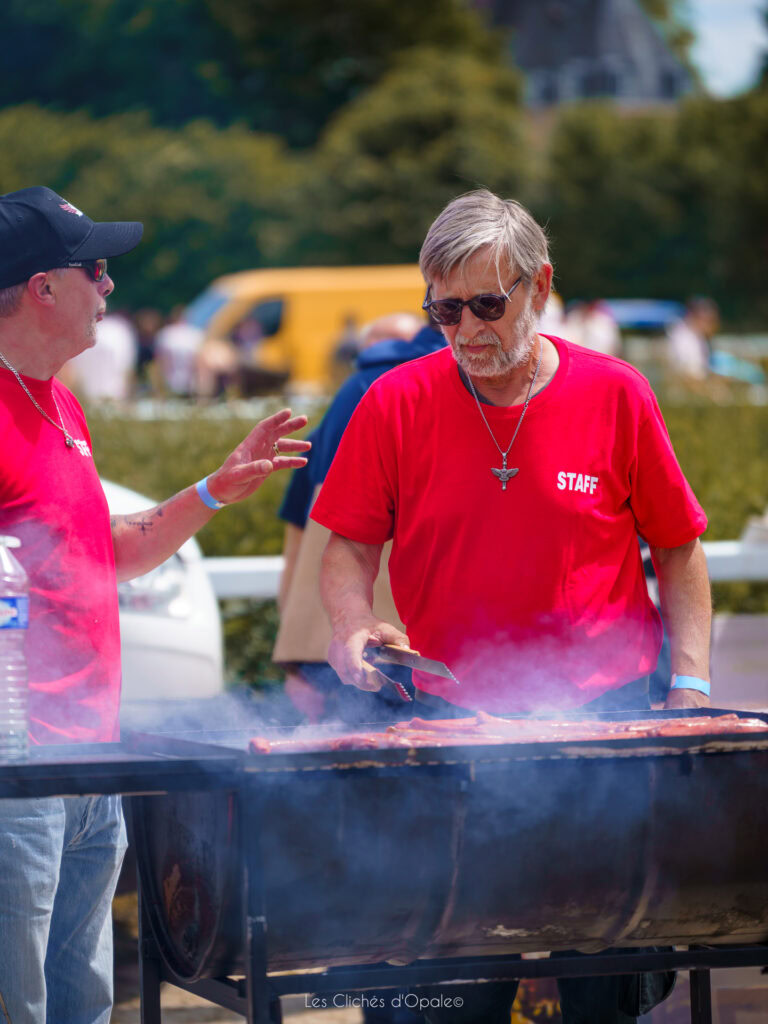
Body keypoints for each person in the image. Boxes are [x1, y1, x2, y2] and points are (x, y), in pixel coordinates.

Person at [312, 190, 711, 1024]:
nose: (466, 331)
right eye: (445, 310)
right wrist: (352, 626)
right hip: (451, 731)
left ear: (540, 286)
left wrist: (692, 690)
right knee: (441, 997)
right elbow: (347, 547)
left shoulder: (617, 394)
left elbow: (678, 548)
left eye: (487, 305)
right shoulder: (395, 402)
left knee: (610, 992)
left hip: (603, 732)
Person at [0, 185, 310, 1024]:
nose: (109, 288)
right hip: (16, 768)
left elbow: (112, 549)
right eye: (96, 269)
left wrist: (214, 488)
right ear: (43, 287)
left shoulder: (59, 401)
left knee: (84, 1001)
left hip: (91, 758)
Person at [275, 313, 445, 725]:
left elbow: (296, 546)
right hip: (411, 647)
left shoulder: (350, 393)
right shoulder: (442, 386)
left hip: (329, 644)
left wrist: (292, 656)